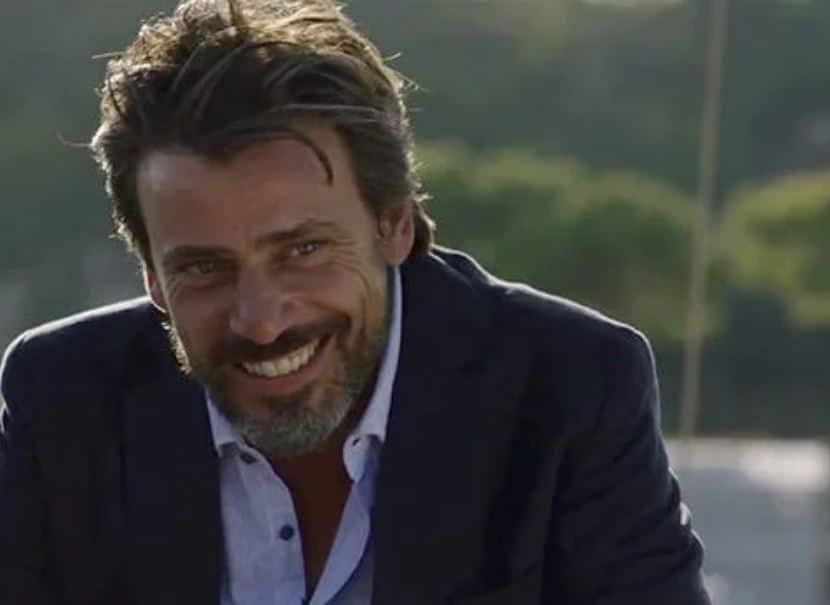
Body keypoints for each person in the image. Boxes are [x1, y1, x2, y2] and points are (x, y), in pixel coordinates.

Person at [0, 1, 711, 603]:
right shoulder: (62, 398)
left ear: (394, 225)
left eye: (303, 250)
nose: (262, 320)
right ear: (152, 277)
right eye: (204, 267)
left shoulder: (569, 387)